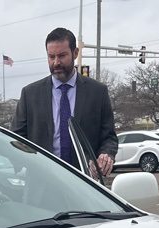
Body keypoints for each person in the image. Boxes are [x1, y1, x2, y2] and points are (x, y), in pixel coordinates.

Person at [11, 27, 117, 176]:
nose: (56, 62)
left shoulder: (97, 92)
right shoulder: (30, 94)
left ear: (75, 53)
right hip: (41, 184)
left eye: (61, 56)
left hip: (84, 185)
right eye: (51, 57)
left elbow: (109, 137)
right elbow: (16, 138)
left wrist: (106, 155)